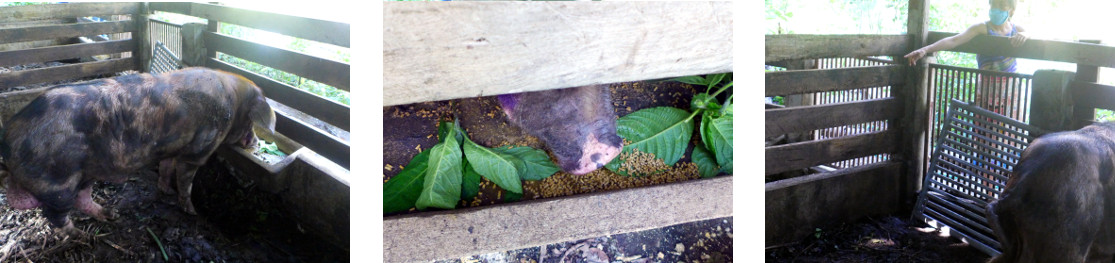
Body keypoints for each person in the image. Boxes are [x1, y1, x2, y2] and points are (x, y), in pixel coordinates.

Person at [904, 0, 1027, 115]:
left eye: (1001, 6)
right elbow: (954, 40)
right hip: (987, 86)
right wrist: (925, 50)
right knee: (985, 127)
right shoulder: (982, 27)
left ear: (1011, 10)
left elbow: (1030, 34)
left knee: (1008, 127)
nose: (996, 9)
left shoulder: (1017, 30)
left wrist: (1025, 35)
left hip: (1011, 89)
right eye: (993, 5)